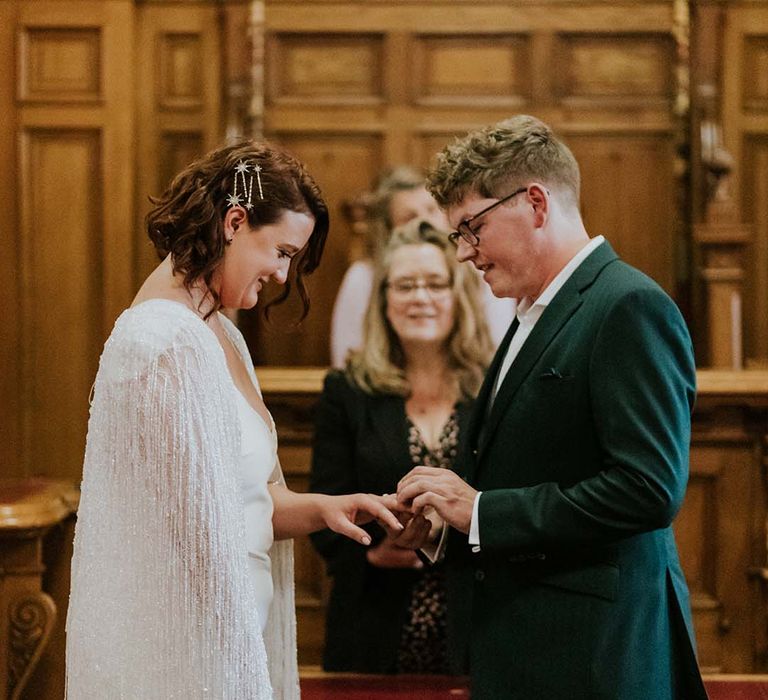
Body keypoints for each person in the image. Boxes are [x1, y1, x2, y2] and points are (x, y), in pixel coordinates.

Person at [65, 140, 404, 700]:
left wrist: (322, 507)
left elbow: (246, 504)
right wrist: (238, 669)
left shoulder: (219, 334)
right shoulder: (160, 342)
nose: (281, 273)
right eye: (282, 251)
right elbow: (191, 540)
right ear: (235, 221)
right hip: (190, 654)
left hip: (232, 637)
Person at [396, 115, 709, 700]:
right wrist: (446, 524)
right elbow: (533, 464)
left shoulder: (627, 306)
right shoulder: (531, 313)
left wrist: (484, 512)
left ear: (535, 203)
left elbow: (647, 489)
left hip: (595, 655)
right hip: (530, 647)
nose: (465, 252)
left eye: (472, 228)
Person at [310, 218, 493, 674]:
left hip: (480, 620)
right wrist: (371, 550)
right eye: (405, 285)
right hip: (374, 619)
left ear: (459, 296)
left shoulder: (493, 388)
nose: (421, 298)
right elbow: (323, 504)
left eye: (435, 283)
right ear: (384, 300)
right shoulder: (347, 391)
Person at [330, 165, 514, 367]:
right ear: (389, 230)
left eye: (431, 211)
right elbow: (346, 357)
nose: (425, 224)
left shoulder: (481, 271)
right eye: (410, 217)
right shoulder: (363, 276)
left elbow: (498, 352)